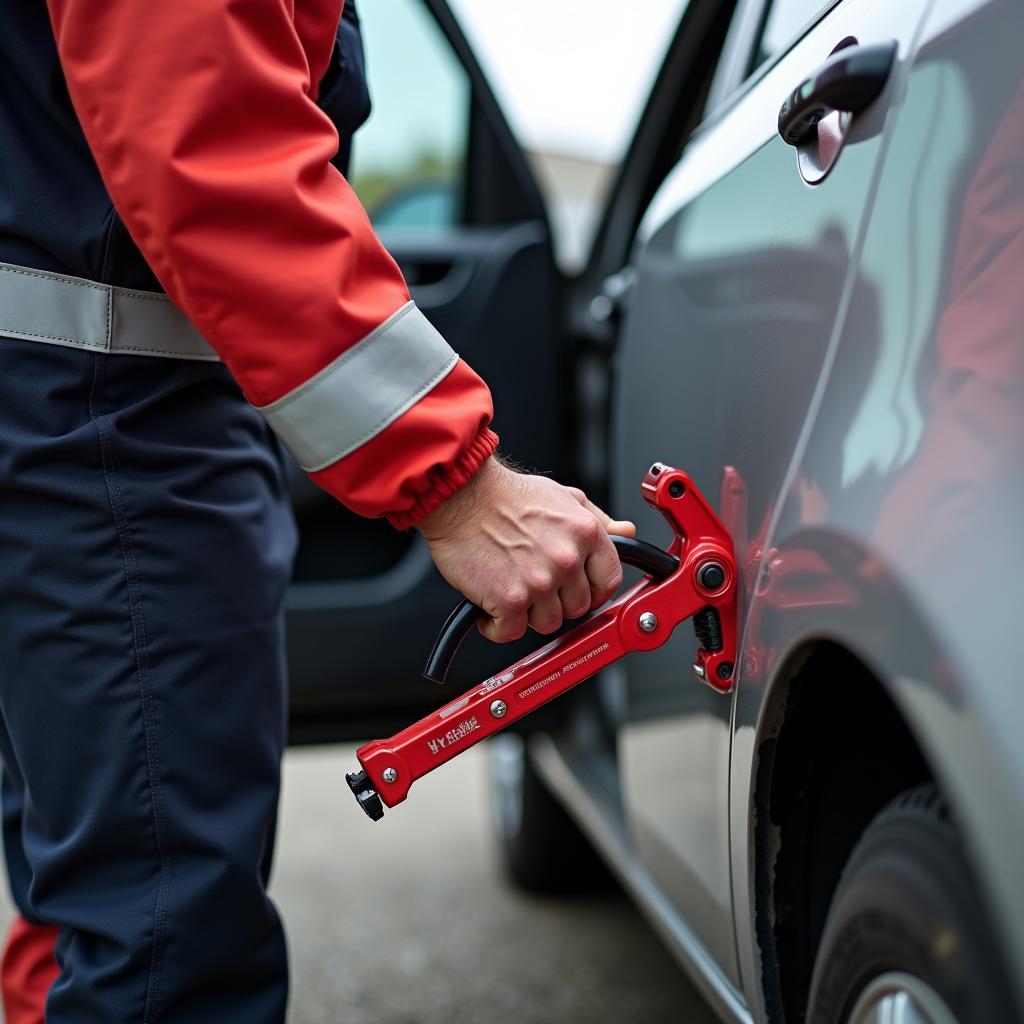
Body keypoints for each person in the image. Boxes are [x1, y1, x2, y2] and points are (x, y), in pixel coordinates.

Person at [0, 1, 634, 1020]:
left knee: (85, 892)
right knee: (167, 954)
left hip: (62, 420)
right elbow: (215, 154)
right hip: (105, 426)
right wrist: (460, 483)